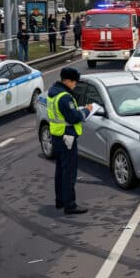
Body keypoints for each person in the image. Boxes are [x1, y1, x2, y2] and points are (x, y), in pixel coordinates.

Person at [47, 67, 92, 215]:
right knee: (69, 172)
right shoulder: (65, 97)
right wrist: (87, 110)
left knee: (60, 170)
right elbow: (73, 118)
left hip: (56, 135)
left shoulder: (53, 93)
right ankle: (70, 205)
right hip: (67, 138)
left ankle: (60, 200)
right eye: (74, 82)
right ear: (68, 81)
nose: (75, 85)